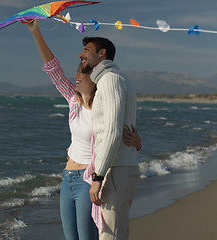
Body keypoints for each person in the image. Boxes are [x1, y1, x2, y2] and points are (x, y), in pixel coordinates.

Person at [26, 20, 141, 240]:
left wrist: (136, 141)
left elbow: (118, 130)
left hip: (90, 179)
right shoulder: (73, 101)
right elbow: (53, 69)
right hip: (68, 177)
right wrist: (35, 32)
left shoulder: (105, 98)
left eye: (81, 74)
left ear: (94, 78)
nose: (76, 77)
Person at [80, 37, 141, 240]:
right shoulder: (111, 79)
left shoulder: (111, 79)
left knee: (111, 236)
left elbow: (113, 132)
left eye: (87, 50)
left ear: (102, 53)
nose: (81, 54)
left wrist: (98, 177)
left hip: (116, 169)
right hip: (117, 168)